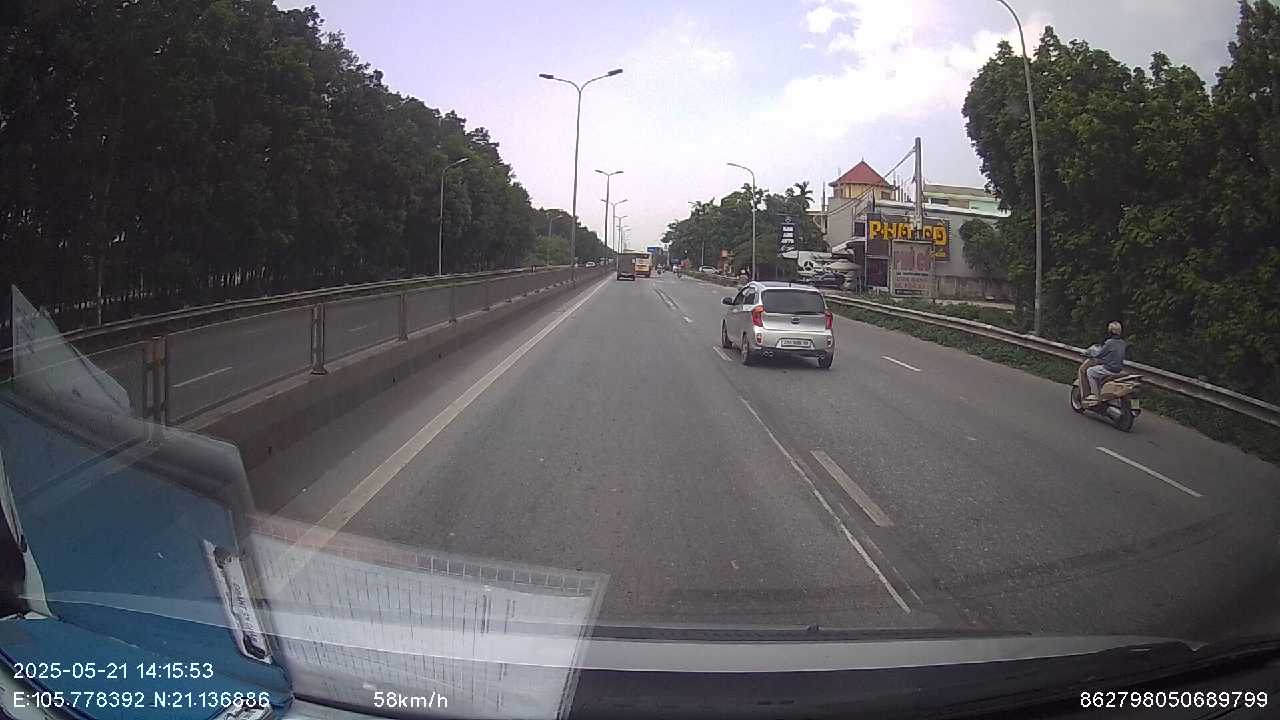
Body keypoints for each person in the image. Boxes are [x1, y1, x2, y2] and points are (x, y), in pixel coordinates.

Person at [1081, 321, 1129, 405]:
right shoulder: (1123, 343)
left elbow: (1099, 354)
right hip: (1118, 370)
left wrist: (1090, 354)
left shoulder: (1109, 342)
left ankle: (1095, 396)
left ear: (1110, 331)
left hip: (1109, 369)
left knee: (1090, 371)